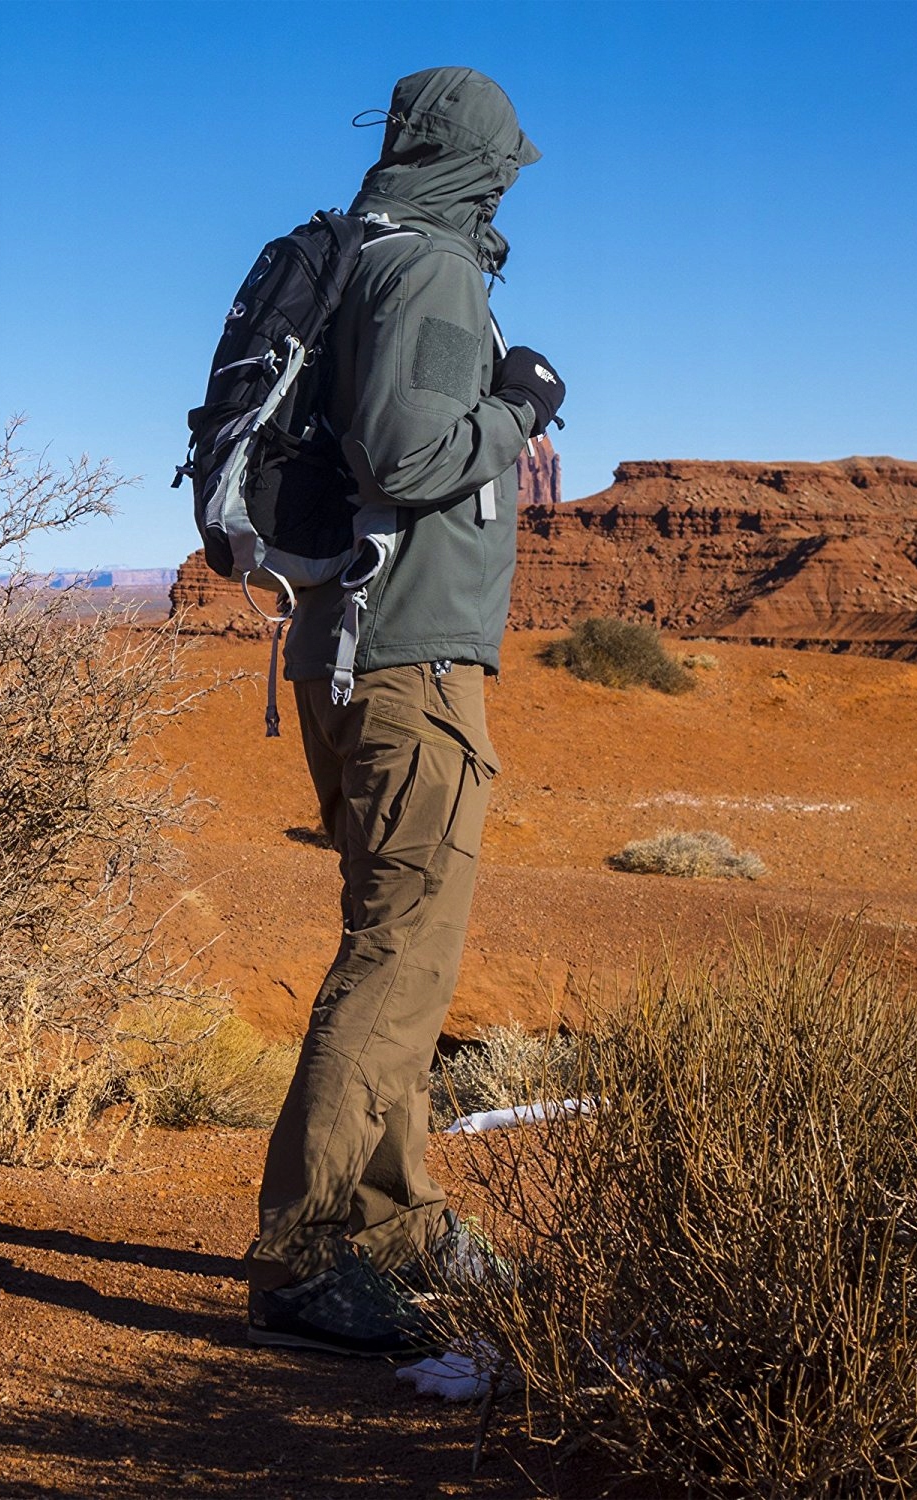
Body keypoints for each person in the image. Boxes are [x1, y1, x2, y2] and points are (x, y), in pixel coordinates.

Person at [245, 66, 566, 1358]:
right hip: (409, 668)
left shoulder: (366, 255)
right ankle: (309, 1259)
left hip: (352, 653)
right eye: (502, 169)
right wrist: (522, 406)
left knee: (399, 954)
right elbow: (410, 452)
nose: (506, 192)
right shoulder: (429, 269)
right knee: (396, 961)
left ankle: (397, 1221)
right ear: (474, 163)